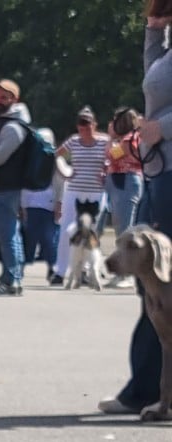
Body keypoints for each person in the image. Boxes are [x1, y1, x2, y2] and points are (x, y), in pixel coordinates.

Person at [100, 1, 172, 416]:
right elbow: (153, 80)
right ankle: (149, 388)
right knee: (151, 281)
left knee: (158, 279)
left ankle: (147, 389)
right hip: (160, 170)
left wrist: (165, 126)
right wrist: (153, 26)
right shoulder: (166, 50)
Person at [0, 79, 32, 296]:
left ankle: (11, 279)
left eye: (4, 97)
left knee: (6, 233)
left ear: (15, 99)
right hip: (7, 186)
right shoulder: (10, 123)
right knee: (10, 233)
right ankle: (12, 277)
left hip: (6, 186)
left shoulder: (13, 127)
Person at [51, 106, 109, 287]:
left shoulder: (104, 142)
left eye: (88, 125)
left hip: (96, 191)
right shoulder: (74, 141)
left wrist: (106, 170)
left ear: (95, 125)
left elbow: (114, 158)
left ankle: (83, 270)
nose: (85, 129)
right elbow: (56, 155)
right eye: (81, 126)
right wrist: (64, 172)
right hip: (75, 190)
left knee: (90, 231)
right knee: (67, 229)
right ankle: (61, 271)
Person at [105, 106, 145, 287]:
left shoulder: (129, 140)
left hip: (127, 181)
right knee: (121, 226)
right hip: (122, 181)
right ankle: (124, 272)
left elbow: (111, 155)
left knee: (125, 228)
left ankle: (127, 274)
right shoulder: (131, 138)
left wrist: (110, 138)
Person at [21, 128, 66, 283]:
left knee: (49, 240)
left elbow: (62, 183)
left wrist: (60, 204)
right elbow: (23, 184)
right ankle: (18, 270)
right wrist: (22, 205)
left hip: (49, 206)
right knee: (29, 239)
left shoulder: (56, 160)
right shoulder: (29, 159)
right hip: (31, 205)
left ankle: (53, 269)